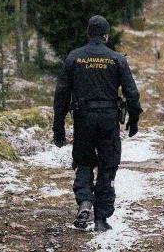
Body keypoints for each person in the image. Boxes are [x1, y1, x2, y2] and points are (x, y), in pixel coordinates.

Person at [52, 15, 142, 231]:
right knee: (107, 165)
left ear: (88, 34)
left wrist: (59, 127)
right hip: (109, 120)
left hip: (83, 119)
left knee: (83, 162)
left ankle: (84, 200)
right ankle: (101, 217)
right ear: (106, 35)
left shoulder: (74, 58)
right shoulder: (117, 59)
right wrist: (134, 120)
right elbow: (132, 93)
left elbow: (61, 94)